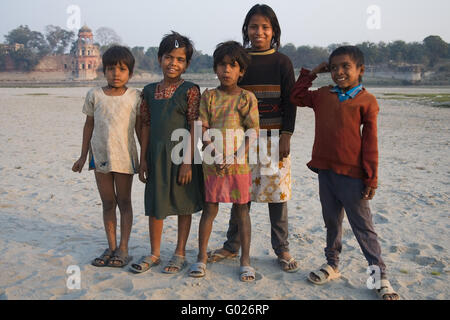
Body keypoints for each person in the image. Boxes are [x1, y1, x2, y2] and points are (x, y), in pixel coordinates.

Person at [290, 45, 400, 300]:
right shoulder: (323, 95)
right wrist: (314, 72)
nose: (339, 72)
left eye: (346, 67)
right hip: (326, 172)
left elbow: (370, 142)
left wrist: (371, 177)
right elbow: (296, 96)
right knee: (331, 222)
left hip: (353, 176)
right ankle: (332, 265)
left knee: (363, 228)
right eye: (334, 67)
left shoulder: (366, 100)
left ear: (360, 70)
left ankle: (378, 277)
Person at [207, 4, 299, 273]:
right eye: (254, 26)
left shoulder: (283, 62)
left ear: (274, 31)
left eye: (265, 27)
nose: (259, 31)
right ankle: (232, 244)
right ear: (246, 29)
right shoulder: (239, 59)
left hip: (273, 137)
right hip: (241, 140)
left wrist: (286, 134)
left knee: (277, 194)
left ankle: (281, 248)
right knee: (240, 193)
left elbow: (290, 101)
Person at [129, 32, 204, 274]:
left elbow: (195, 125)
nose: (174, 63)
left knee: (183, 204)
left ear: (187, 64)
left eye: (180, 59)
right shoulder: (149, 91)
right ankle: (154, 252)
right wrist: (143, 160)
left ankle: (180, 252)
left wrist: (187, 162)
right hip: (156, 157)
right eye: (169, 57)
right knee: (156, 204)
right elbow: (146, 125)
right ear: (160, 58)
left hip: (182, 156)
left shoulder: (191, 90)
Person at [188, 41, 259, 282]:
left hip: (239, 164)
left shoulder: (247, 98)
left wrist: (236, 156)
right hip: (213, 163)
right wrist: (215, 154)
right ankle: (201, 257)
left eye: (232, 65)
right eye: (222, 65)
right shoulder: (209, 96)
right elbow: (202, 127)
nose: (226, 70)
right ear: (215, 68)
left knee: (242, 211)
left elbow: (252, 131)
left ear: (242, 71)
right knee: (210, 210)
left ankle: (245, 260)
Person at [72, 46, 141, 268]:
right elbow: (88, 125)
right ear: (104, 71)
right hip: (100, 156)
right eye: (111, 69)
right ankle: (111, 246)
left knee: (124, 201)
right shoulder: (94, 95)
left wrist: (145, 157)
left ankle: (123, 248)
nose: (116, 73)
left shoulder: (135, 96)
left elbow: (140, 129)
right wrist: (83, 156)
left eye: (122, 69)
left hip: (124, 156)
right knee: (108, 202)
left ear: (130, 72)